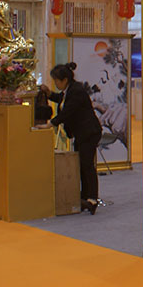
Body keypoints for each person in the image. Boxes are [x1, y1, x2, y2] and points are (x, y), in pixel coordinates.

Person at [40, 62, 102, 214]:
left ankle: (92, 198)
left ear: (65, 80)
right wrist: (49, 94)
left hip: (89, 132)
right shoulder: (69, 90)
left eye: (56, 80)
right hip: (81, 133)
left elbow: (67, 111)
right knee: (81, 164)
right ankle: (84, 196)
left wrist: (50, 124)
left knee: (87, 165)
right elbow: (61, 100)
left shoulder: (76, 91)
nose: (55, 83)